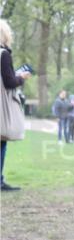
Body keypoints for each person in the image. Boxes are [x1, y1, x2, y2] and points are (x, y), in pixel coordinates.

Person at [0, 18, 30, 192]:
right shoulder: (4, 54)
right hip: (2, 105)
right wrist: (22, 77)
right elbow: (10, 82)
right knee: (1, 141)